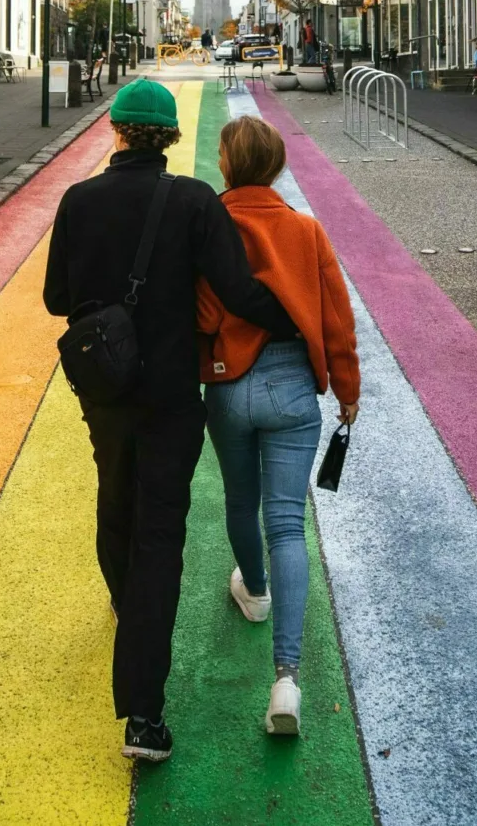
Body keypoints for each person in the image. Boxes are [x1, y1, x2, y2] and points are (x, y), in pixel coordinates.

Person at [43, 79, 300, 764]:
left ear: (118, 130)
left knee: (113, 502)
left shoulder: (78, 200)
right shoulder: (192, 202)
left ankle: (131, 612)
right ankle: (144, 719)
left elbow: (56, 298)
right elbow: (241, 292)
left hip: (104, 392)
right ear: (171, 138)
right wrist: (298, 317)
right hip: (170, 398)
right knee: (160, 534)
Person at [197, 116, 360, 737]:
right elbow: (337, 320)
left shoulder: (215, 227)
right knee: (288, 524)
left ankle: (255, 592)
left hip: (230, 383)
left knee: (242, 500)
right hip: (294, 387)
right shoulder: (305, 230)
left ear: (228, 164)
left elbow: (206, 310)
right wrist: (347, 391)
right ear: (277, 165)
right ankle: (287, 679)